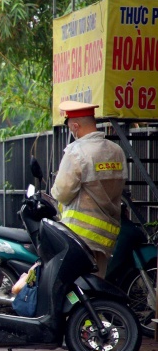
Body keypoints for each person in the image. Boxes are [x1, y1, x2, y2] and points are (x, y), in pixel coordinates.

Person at [51, 100, 127, 278]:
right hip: (107, 234)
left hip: (80, 235)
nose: (71, 132)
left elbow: (62, 192)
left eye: (70, 128)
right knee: (96, 284)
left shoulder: (77, 152)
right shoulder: (116, 151)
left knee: (75, 287)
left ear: (76, 126)